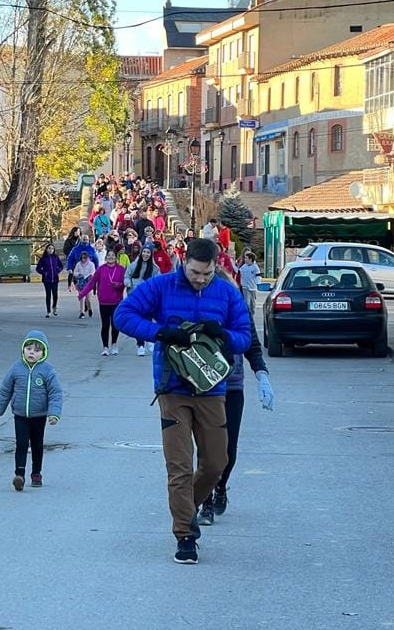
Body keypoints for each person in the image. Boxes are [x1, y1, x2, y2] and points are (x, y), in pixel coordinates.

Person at [113, 237, 252, 564]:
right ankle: (185, 536)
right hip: (173, 389)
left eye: (206, 274)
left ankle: (184, 507)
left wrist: (223, 335)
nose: (200, 279)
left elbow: (245, 336)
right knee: (178, 466)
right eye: (194, 272)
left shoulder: (227, 292)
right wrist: (160, 332)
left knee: (216, 463)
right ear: (183, 261)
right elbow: (123, 314)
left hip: (211, 390)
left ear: (216, 267)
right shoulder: (161, 286)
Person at [198, 270, 275, 526]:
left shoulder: (236, 307)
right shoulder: (196, 307)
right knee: (206, 448)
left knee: (228, 449)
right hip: (203, 387)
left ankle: (221, 487)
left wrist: (262, 374)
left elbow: (252, 343)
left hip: (231, 386)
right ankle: (205, 501)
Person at [0, 331, 62, 491]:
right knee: (21, 444)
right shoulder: (16, 368)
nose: (32, 352)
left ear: (43, 353)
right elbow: (5, 390)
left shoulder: (47, 370)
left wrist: (54, 413)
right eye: (29, 348)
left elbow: (55, 393)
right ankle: (20, 475)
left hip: (39, 416)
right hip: (20, 415)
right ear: (23, 349)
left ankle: (36, 473)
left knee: (37, 444)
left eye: (37, 350)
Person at [80, 250, 126, 356]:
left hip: (116, 301)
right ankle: (105, 347)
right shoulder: (101, 269)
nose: (110, 257)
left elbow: (125, 283)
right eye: (108, 255)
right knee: (105, 325)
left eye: (112, 255)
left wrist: (119, 285)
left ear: (116, 257)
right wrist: (82, 293)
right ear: (106, 257)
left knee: (115, 325)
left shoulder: (121, 269)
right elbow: (92, 283)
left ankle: (114, 344)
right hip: (104, 302)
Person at [124, 245, 157, 357]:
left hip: (148, 300)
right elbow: (127, 275)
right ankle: (140, 345)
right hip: (135, 298)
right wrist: (127, 282)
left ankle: (150, 341)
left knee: (148, 321)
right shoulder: (134, 265)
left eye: (148, 252)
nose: (146, 254)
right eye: (144, 252)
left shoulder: (154, 268)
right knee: (138, 322)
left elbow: (158, 282)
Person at [35, 243, 63, 318]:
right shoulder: (43, 259)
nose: (51, 250)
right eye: (49, 248)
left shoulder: (56, 257)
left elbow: (61, 266)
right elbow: (38, 268)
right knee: (48, 295)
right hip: (47, 280)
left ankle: (54, 307)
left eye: (52, 248)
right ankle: (48, 311)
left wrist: (57, 271)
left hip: (55, 279)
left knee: (55, 295)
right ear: (47, 249)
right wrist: (44, 273)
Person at [70, 251, 95, 319]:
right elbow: (75, 272)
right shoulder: (78, 264)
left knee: (88, 299)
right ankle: (82, 312)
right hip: (81, 283)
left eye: (85, 257)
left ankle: (89, 308)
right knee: (81, 298)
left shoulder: (91, 264)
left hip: (88, 283)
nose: (83, 259)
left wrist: (89, 276)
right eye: (82, 257)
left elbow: (93, 272)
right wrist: (79, 275)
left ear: (87, 257)